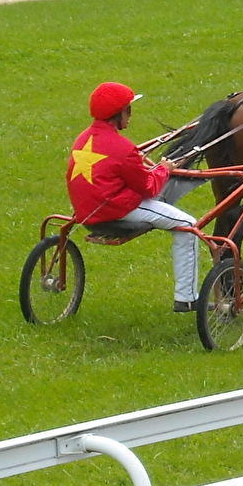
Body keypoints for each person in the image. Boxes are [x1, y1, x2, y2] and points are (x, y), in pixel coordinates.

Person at [68, 82, 202, 313]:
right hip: (116, 210)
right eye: (128, 110)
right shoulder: (124, 148)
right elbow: (149, 189)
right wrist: (164, 169)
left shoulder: (83, 139)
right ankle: (186, 298)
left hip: (85, 209)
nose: (130, 115)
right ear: (117, 114)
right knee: (189, 225)